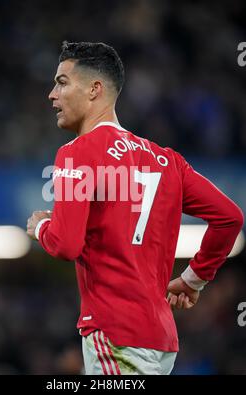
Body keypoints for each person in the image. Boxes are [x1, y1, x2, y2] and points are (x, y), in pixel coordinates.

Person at [27, 41, 244, 375]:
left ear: (94, 89)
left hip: (114, 332)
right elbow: (230, 218)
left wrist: (41, 227)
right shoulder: (168, 161)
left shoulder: (77, 152)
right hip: (161, 338)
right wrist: (193, 279)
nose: (52, 95)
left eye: (62, 82)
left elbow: (66, 243)